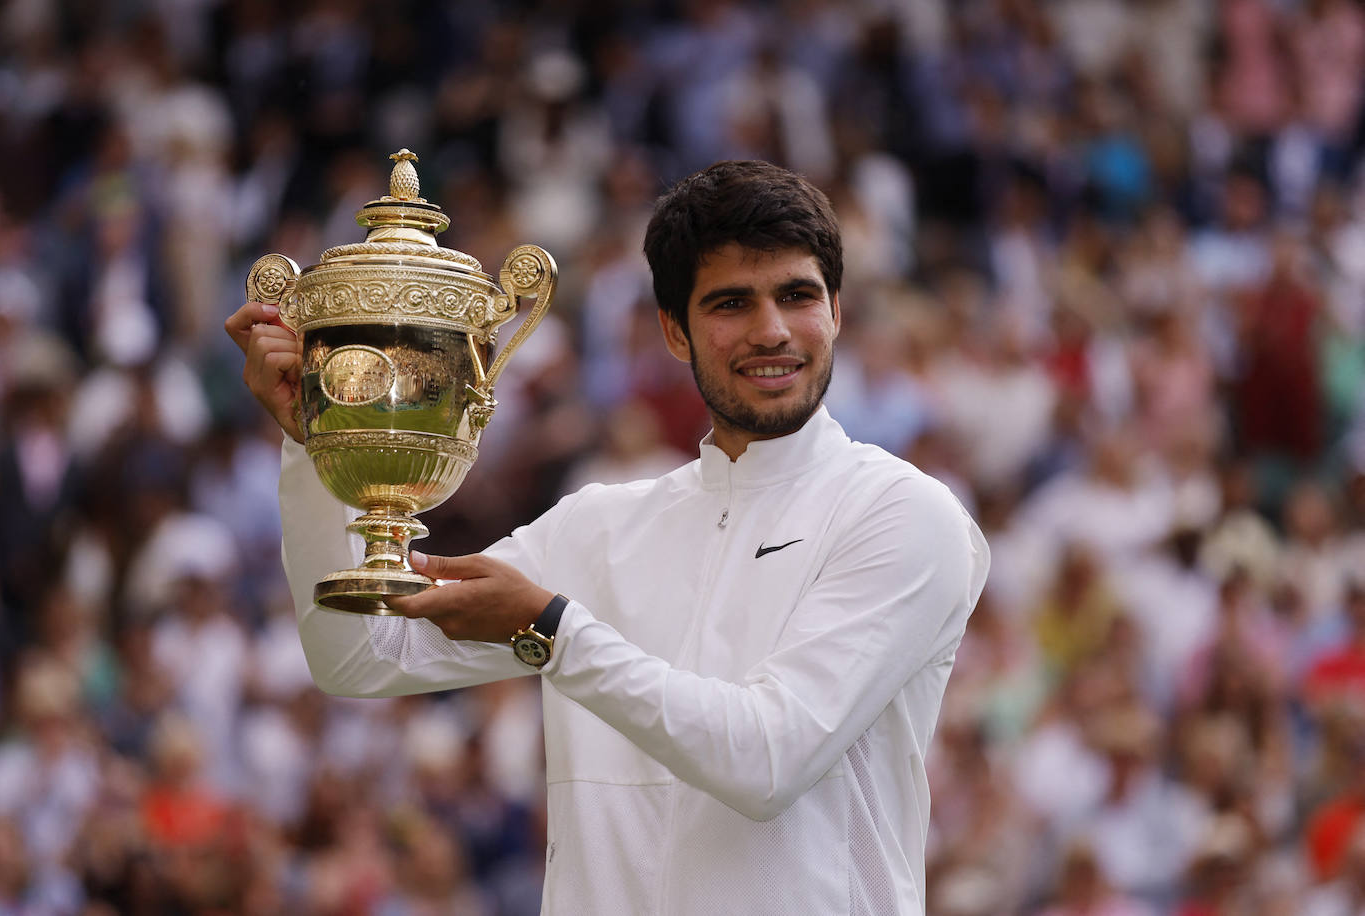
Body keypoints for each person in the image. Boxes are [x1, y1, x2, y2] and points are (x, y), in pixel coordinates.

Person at [226, 160, 989, 914]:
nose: (772, 331)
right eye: (731, 303)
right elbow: (360, 657)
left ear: (837, 312)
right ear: (673, 331)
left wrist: (552, 633)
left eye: (798, 296)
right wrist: (314, 440)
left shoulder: (904, 514)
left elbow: (767, 759)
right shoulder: (599, 526)